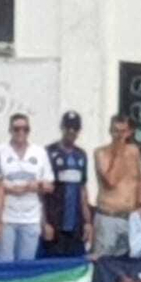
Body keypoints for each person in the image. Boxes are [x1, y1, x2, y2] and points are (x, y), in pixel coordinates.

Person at [0, 113, 55, 262]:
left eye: (25, 129)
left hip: (31, 218)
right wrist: (15, 189)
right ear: (10, 130)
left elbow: (50, 186)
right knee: (4, 264)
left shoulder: (39, 153)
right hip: (6, 218)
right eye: (17, 129)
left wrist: (36, 185)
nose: (21, 132)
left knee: (26, 266)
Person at [90, 114, 141, 258]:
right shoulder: (101, 153)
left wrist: (140, 206)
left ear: (129, 132)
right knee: (103, 261)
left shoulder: (134, 151)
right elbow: (110, 181)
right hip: (109, 217)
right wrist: (118, 152)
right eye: (116, 131)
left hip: (129, 218)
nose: (119, 135)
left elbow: (138, 181)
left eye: (123, 131)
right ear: (110, 131)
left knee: (126, 265)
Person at [42, 111, 91, 259]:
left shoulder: (81, 155)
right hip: (55, 222)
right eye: (68, 127)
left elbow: (82, 190)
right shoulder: (49, 152)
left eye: (75, 128)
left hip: (75, 224)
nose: (71, 131)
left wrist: (88, 222)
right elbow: (42, 193)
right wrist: (44, 222)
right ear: (62, 127)